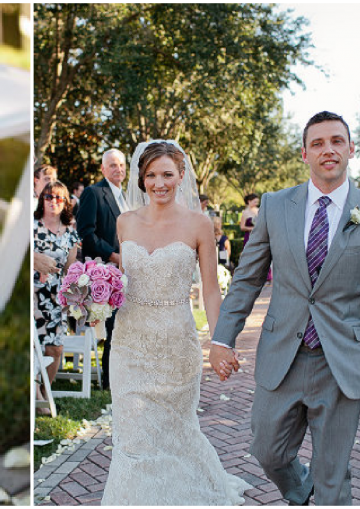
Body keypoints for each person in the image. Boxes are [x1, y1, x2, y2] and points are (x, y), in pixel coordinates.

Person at [211, 111, 360, 506]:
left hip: (342, 364)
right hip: (282, 354)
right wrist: (221, 338)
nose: (327, 150)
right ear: (304, 153)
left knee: (333, 476)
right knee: (267, 451)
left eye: (336, 141)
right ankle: (303, 490)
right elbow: (247, 277)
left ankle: (327, 491)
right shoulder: (275, 205)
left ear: (351, 149)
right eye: (317, 143)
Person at [101, 140, 250, 505]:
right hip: (128, 346)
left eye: (167, 174)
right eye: (151, 175)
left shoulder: (199, 224)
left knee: (176, 434)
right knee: (132, 438)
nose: (159, 183)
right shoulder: (125, 222)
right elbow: (121, 282)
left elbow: (212, 291)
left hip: (176, 348)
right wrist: (94, 294)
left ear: (182, 176)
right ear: (141, 179)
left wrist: (220, 342)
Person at [76, 149, 128, 391]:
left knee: (127, 326)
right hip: (106, 270)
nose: (118, 168)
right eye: (113, 165)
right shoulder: (93, 193)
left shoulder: (126, 197)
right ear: (103, 169)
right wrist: (114, 255)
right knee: (113, 329)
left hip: (128, 271)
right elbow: (86, 233)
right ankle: (109, 382)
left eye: (121, 164)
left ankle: (125, 374)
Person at [32, 181, 81, 409]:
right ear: (42, 199)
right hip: (31, 294)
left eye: (59, 198)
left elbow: (70, 271)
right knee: (33, 346)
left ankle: (44, 390)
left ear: (65, 203)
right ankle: (35, 396)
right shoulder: (31, 225)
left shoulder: (70, 233)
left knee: (55, 348)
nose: (53, 202)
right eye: (49, 197)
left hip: (54, 298)